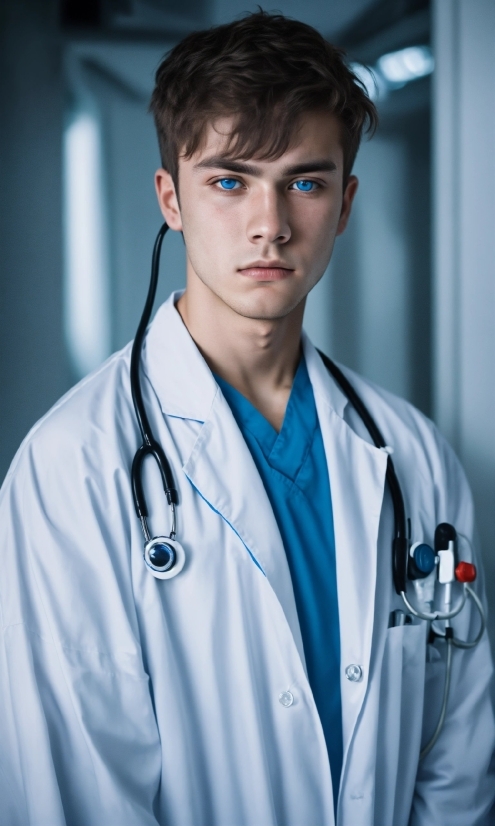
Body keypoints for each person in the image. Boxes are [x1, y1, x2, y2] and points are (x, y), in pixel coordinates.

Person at [1, 10, 494, 826]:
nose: (270, 223)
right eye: (229, 181)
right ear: (171, 198)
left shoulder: (412, 454)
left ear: (343, 205)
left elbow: (457, 754)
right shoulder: (73, 467)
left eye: (304, 181)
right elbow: (77, 793)